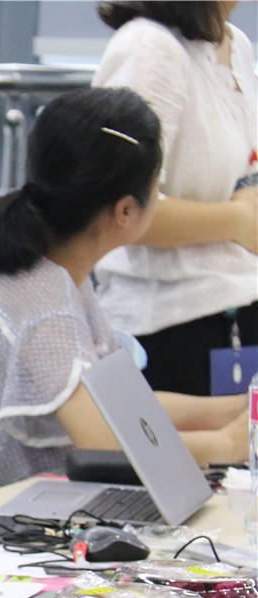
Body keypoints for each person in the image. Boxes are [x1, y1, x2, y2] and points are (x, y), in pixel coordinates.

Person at [0, 87, 247, 512]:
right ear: (125, 211)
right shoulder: (42, 299)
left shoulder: (51, 266)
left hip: (4, 517)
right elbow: (103, 443)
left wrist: (238, 409)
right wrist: (226, 444)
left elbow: (123, 407)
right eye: (156, 189)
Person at [92, 1, 257, 395]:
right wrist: (237, 221)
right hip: (172, 327)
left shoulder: (236, 44)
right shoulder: (149, 46)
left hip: (241, 311)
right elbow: (116, 206)